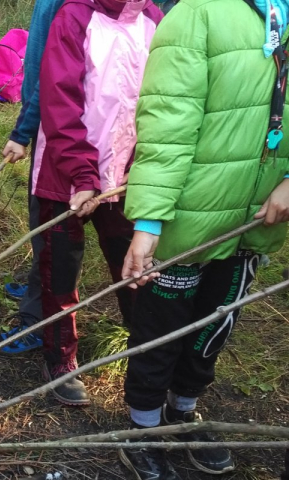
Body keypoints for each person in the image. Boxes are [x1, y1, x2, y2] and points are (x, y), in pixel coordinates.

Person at [119, 0, 289, 477]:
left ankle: (182, 412)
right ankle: (143, 428)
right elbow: (167, 123)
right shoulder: (199, 13)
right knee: (162, 333)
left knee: (215, 327)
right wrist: (149, 222)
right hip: (185, 226)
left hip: (256, 226)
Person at [32, 0, 161, 406]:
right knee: (60, 269)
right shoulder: (74, 16)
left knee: (134, 264)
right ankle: (60, 358)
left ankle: (145, 351)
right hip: (66, 178)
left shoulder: (155, 20)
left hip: (128, 177)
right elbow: (59, 99)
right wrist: (82, 174)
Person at [0, 0, 64, 354]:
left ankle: (37, 318)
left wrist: (23, 130)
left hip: (58, 125)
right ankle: (37, 284)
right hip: (44, 116)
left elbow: (55, 71)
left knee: (52, 229)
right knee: (42, 223)